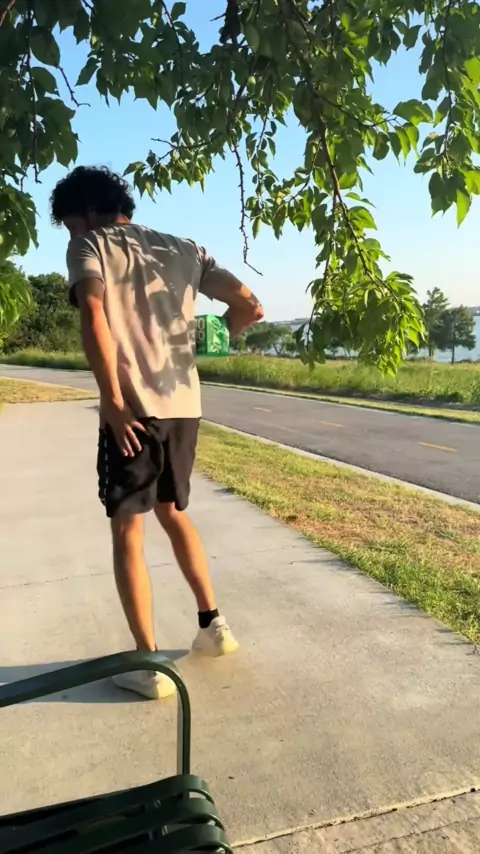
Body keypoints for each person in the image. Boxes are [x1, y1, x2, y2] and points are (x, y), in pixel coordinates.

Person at [50, 166, 264, 700]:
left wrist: (113, 401)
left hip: (134, 409)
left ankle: (148, 666)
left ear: (89, 212)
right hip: (184, 406)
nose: (70, 234)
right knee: (172, 512)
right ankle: (214, 626)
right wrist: (207, 343)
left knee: (128, 528)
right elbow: (250, 307)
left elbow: (93, 313)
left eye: (70, 223)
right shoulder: (186, 249)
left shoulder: (91, 246)